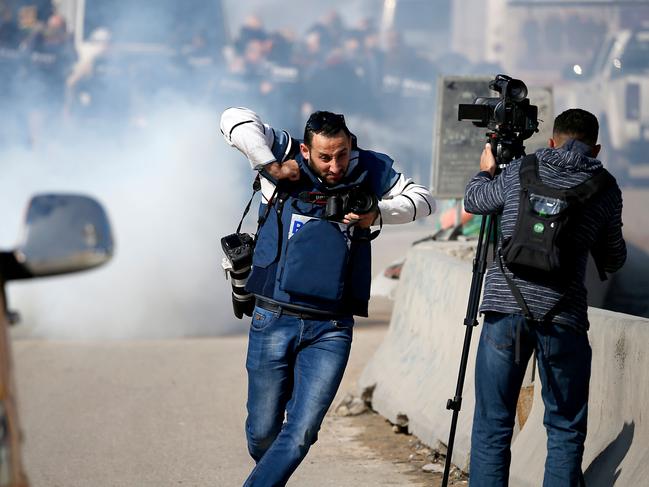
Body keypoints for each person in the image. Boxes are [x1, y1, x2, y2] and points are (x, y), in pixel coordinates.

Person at [220, 107, 435, 486]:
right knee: (262, 432)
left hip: (331, 328)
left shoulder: (371, 169)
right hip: (272, 316)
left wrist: (378, 212)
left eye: (341, 154)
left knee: (302, 432)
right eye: (324, 157)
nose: (334, 166)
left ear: (350, 144)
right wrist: (271, 167)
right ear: (306, 151)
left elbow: (424, 200)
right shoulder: (283, 155)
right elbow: (234, 120)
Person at [463, 108, 626, 486]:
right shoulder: (605, 187)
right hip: (563, 316)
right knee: (564, 428)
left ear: (551, 140)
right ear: (596, 149)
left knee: (492, 425)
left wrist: (487, 169)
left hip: (505, 308)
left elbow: (475, 200)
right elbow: (614, 258)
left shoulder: (522, 169)